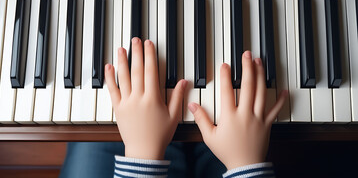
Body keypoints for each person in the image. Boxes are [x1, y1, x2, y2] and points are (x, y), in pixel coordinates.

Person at [59, 38, 287, 178]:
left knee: (90, 136)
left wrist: (142, 150)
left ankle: (178, 135)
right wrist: (245, 164)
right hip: (232, 160)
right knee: (219, 114)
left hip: (143, 154)